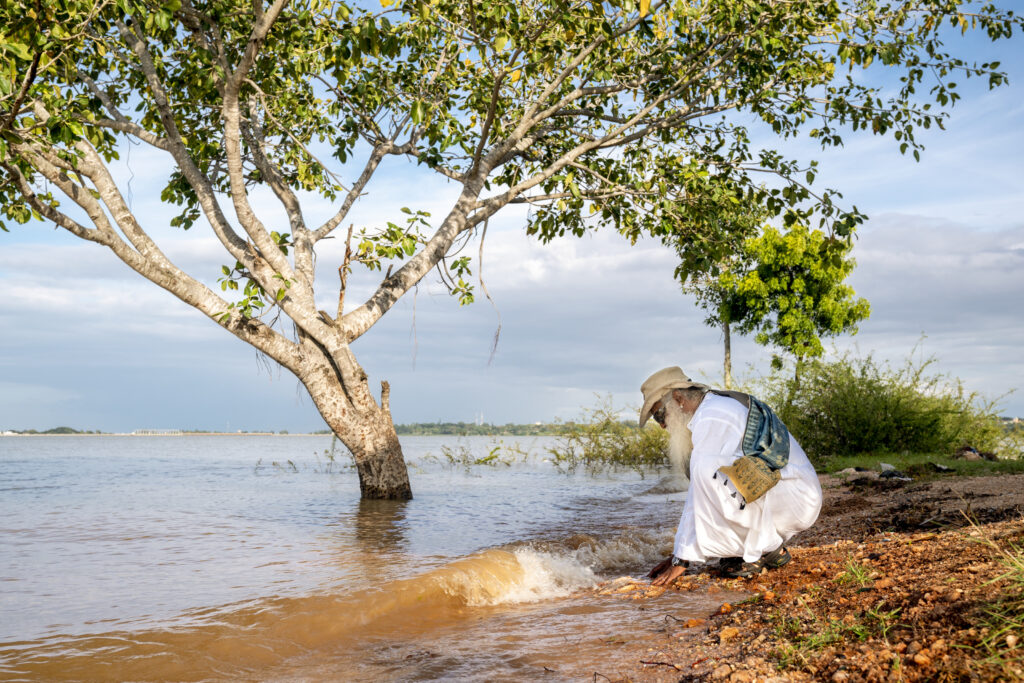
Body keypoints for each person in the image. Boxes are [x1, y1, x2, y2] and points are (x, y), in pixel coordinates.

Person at [638, 367, 822, 585]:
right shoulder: (714, 406)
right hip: (791, 494)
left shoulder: (713, 416)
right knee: (707, 473)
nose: (661, 424)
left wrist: (681, 559)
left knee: (706, 473)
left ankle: (762, 550)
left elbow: (701, 488)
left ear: (678, 399)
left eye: (660, 414)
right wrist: (678, 553)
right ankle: (765, 549)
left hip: (795, 497)